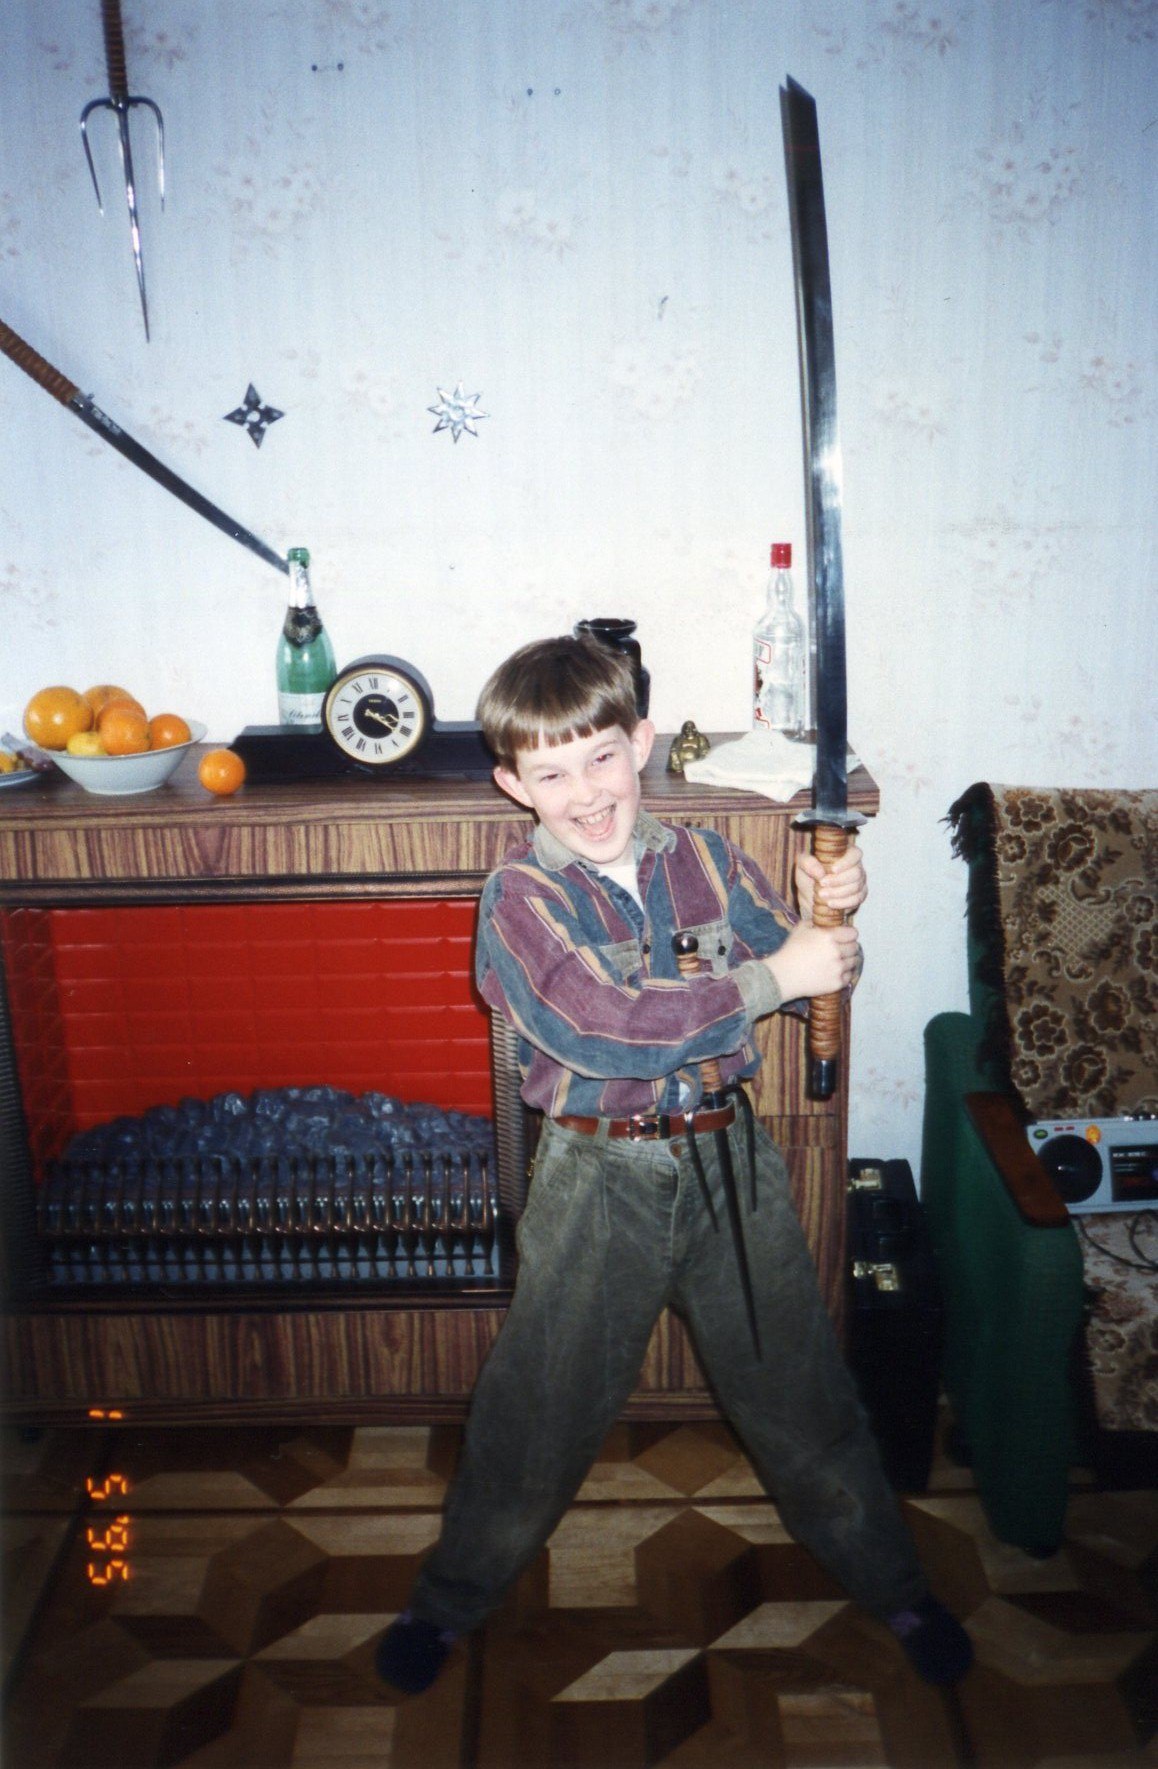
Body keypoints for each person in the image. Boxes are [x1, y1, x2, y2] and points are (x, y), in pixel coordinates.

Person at [377, 634, 972, 1695]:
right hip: (596, 1179)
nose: (585, 793)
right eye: (551, 773)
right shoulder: (519, 899)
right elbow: (600, 1027)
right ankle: (447, 1602)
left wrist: (833, 911)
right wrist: (775, 978)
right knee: (536, 1410)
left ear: (640, 742)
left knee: (801, 1387)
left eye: (601, 757)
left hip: (729, 1163)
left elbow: (815, 964)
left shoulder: (708, 860)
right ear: (513, 784)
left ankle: (896, 1585)